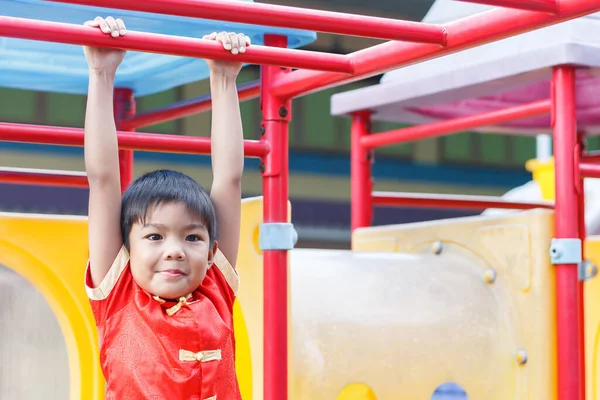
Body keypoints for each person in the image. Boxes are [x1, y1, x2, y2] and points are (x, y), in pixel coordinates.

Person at [82, 16, 248, 400]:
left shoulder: (215, 288)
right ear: (127, 248)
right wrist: (101, 72)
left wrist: (224, 80)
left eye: (192, 236)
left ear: (210, 253)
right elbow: (103, 178)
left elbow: (229, 181)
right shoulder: (119, 292)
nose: (174, 248)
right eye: (155, 235)